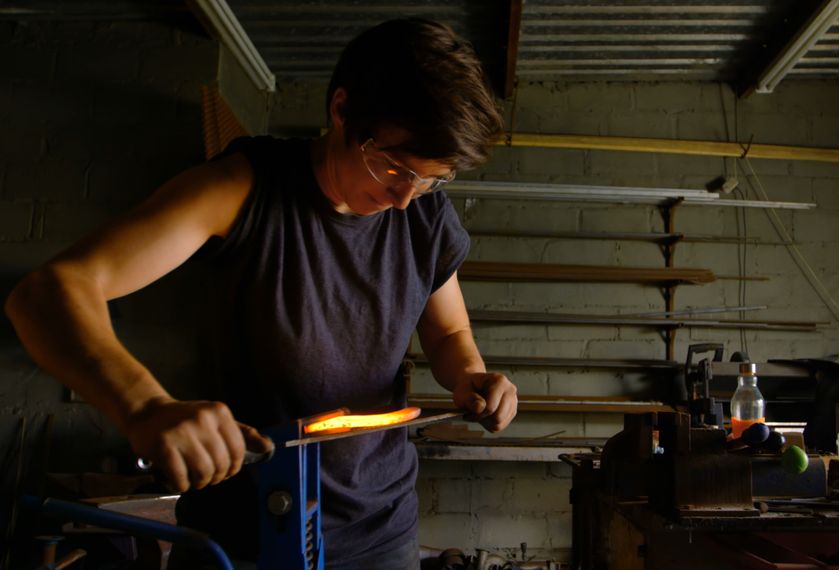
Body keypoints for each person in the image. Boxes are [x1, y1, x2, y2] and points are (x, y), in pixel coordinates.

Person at [4, 18, 517, 569]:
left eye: (429, 180)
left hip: (379, 529)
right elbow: (49, 292)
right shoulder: (240, 189)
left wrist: (469, 374)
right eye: (393, 168)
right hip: (246, 531)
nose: (403, 199)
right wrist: (144, 404)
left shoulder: (425, 217)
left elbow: (449, 331)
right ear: (341, 110)